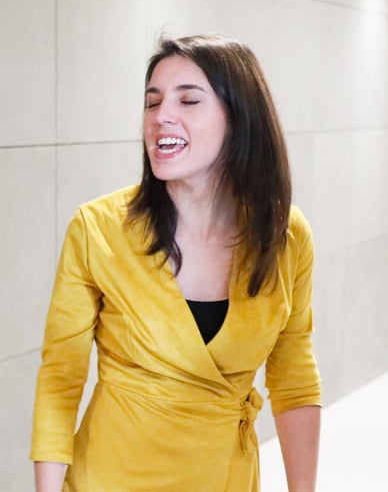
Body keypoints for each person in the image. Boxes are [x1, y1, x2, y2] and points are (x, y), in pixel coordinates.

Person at [31, 35, 321, 491]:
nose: (161, 115)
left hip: (224, 478)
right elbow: (60, 378)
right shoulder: (98, 228)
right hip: (109, 478)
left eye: (188, 100)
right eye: (153, 102)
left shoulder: (285, 235)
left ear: (240, 119)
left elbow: (295, 379)